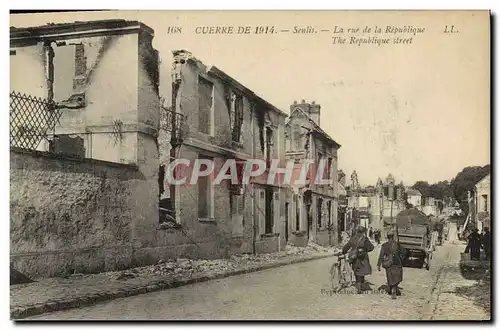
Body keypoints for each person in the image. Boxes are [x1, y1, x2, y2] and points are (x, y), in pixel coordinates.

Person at [342, 226, 375, 293]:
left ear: (357, 231)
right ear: (363, 232)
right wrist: (365, 250)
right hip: (363, 258)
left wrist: (343, 252)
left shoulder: (353, 238)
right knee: (362, 272)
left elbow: (347, 246)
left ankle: (359, 286)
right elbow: (371, 247)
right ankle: (361, 286)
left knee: (357, 271)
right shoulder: (365, 239)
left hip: (354, 258)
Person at [377, 231, 405, 299]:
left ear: (387, 237)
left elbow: (381, 255)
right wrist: (401, 258)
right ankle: (394, 289)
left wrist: (379, 264)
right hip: (397, 262)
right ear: (393, 236)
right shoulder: (397, 244)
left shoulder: (385, 245)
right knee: (397, 276)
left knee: (390, 277)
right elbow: (404, 252)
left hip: (388, 263)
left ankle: (392, 289)